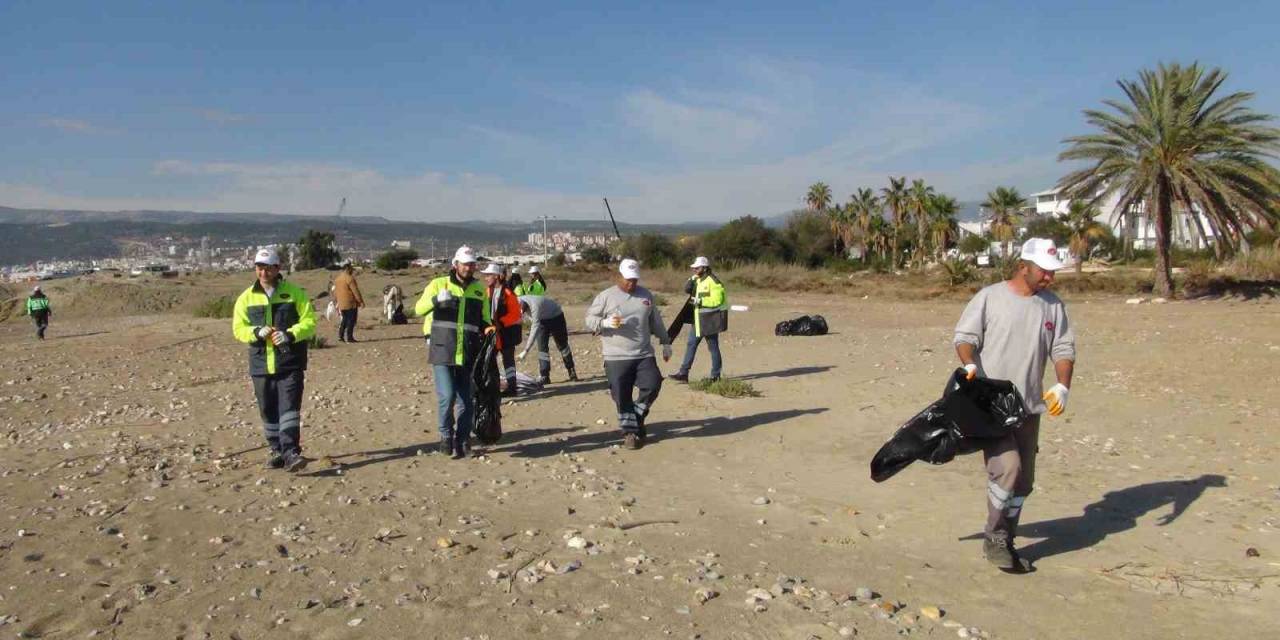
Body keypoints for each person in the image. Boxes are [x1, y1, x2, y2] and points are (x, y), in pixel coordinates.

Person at [953, 237, 1076, 571]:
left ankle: (1006, 536)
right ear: (1024, 266)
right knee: (1008, 468)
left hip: (1030, 406)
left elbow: (1063, 348)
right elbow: (965, 338)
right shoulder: (990, 298)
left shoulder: (1053, 306)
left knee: (1023, 483)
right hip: (991, 406)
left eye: (1053, 272)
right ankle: (995, 538)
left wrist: (1062, 385)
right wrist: (969, 365)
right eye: (1044, 271)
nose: (1050, 277)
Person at [231, 247, 317, 471]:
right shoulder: (245, 298)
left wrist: (290, 333)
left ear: (278, 268)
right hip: (261, 365)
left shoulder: (295, 293)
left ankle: (291, 452)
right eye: (259, 268)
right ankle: (277, 450)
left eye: (268, 268)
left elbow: (310, 323)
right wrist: (255, 332)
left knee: (289, 408)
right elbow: (238, 328)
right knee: (268, 410)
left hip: (290, 363)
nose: (263, 272)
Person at [415, 246, 493, 459]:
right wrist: (435, 300)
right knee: (447, 396)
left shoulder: (478, 289)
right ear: (455, 264)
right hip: (443, 349)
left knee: (467, 400)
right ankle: (446, 436)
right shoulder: (438, 284)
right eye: (465, 264)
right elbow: (418, 309)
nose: (469, 267)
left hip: (468, 351)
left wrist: (488, 327)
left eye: (472, 264)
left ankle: (463, 439)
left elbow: (484, 317)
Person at [585, 259, 672, 450]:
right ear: (618, 276)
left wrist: (666, 342)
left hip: (643, 354)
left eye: (634, 280)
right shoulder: (606, 296)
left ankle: (636, 418)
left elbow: (655, 321)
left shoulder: (646, 295)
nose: (631, 284)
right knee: (621, 396)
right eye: (627, 280)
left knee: (653, 384)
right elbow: (590, 319)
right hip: (616, 356)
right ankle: (630, 433)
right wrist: (605, 323)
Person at [669, 256, 727, 383]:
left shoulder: (714, 281)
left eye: (697, 268)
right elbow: (687, 290)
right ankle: (683, 373)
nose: (694, 269)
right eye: (693, 268)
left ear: (704, 268)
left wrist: (701, 301)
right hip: (698, 319)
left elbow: (718, 300)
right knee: (691, 344)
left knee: (713, 347)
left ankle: (715, 376)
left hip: (710, 319)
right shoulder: (698, 279)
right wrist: (691, 279)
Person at [480, 263, 522, 396]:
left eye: (488, 275)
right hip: (493, 332)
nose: (486, 278)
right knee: (490, 360)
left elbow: (515, 314)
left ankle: (512, 387)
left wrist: (501, 323)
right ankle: (493, 386)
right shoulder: (487, 292)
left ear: (497, 276)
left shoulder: (508, 294)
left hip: (507, 332)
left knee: (508, 360)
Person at [518, 294, 578, 385]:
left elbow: (535, 327)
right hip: (542, 320)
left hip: (556, 317)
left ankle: (571, 370)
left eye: (524, 311)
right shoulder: (516, 301)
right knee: (542, 349)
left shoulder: (535, 305)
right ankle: (545, 376)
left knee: (562, 345)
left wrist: (526, 350)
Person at [333, 261, 365, 342]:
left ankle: (340, 336)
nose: (352, 271)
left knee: (344, 319)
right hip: (350, 303)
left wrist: (336, 301)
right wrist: (361, 301)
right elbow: (355, 291)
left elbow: (335, 292)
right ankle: (350, 337)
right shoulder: (349, 278)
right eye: (351, 269)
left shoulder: (337, 279)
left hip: (341, 303)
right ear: (347, 269)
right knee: (351, 320)